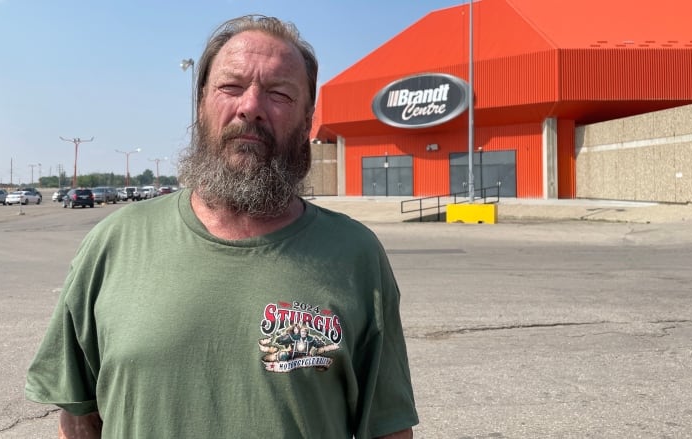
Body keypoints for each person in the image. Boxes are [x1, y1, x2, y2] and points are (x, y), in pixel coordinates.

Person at [25, 14, 418, 439]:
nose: (250, 106)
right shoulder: (113, 244)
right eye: (230, 87)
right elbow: (79, 419)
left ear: (307, 122)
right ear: (200, 106)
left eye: (279, 94)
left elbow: (387, 428)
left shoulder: (355, 255)